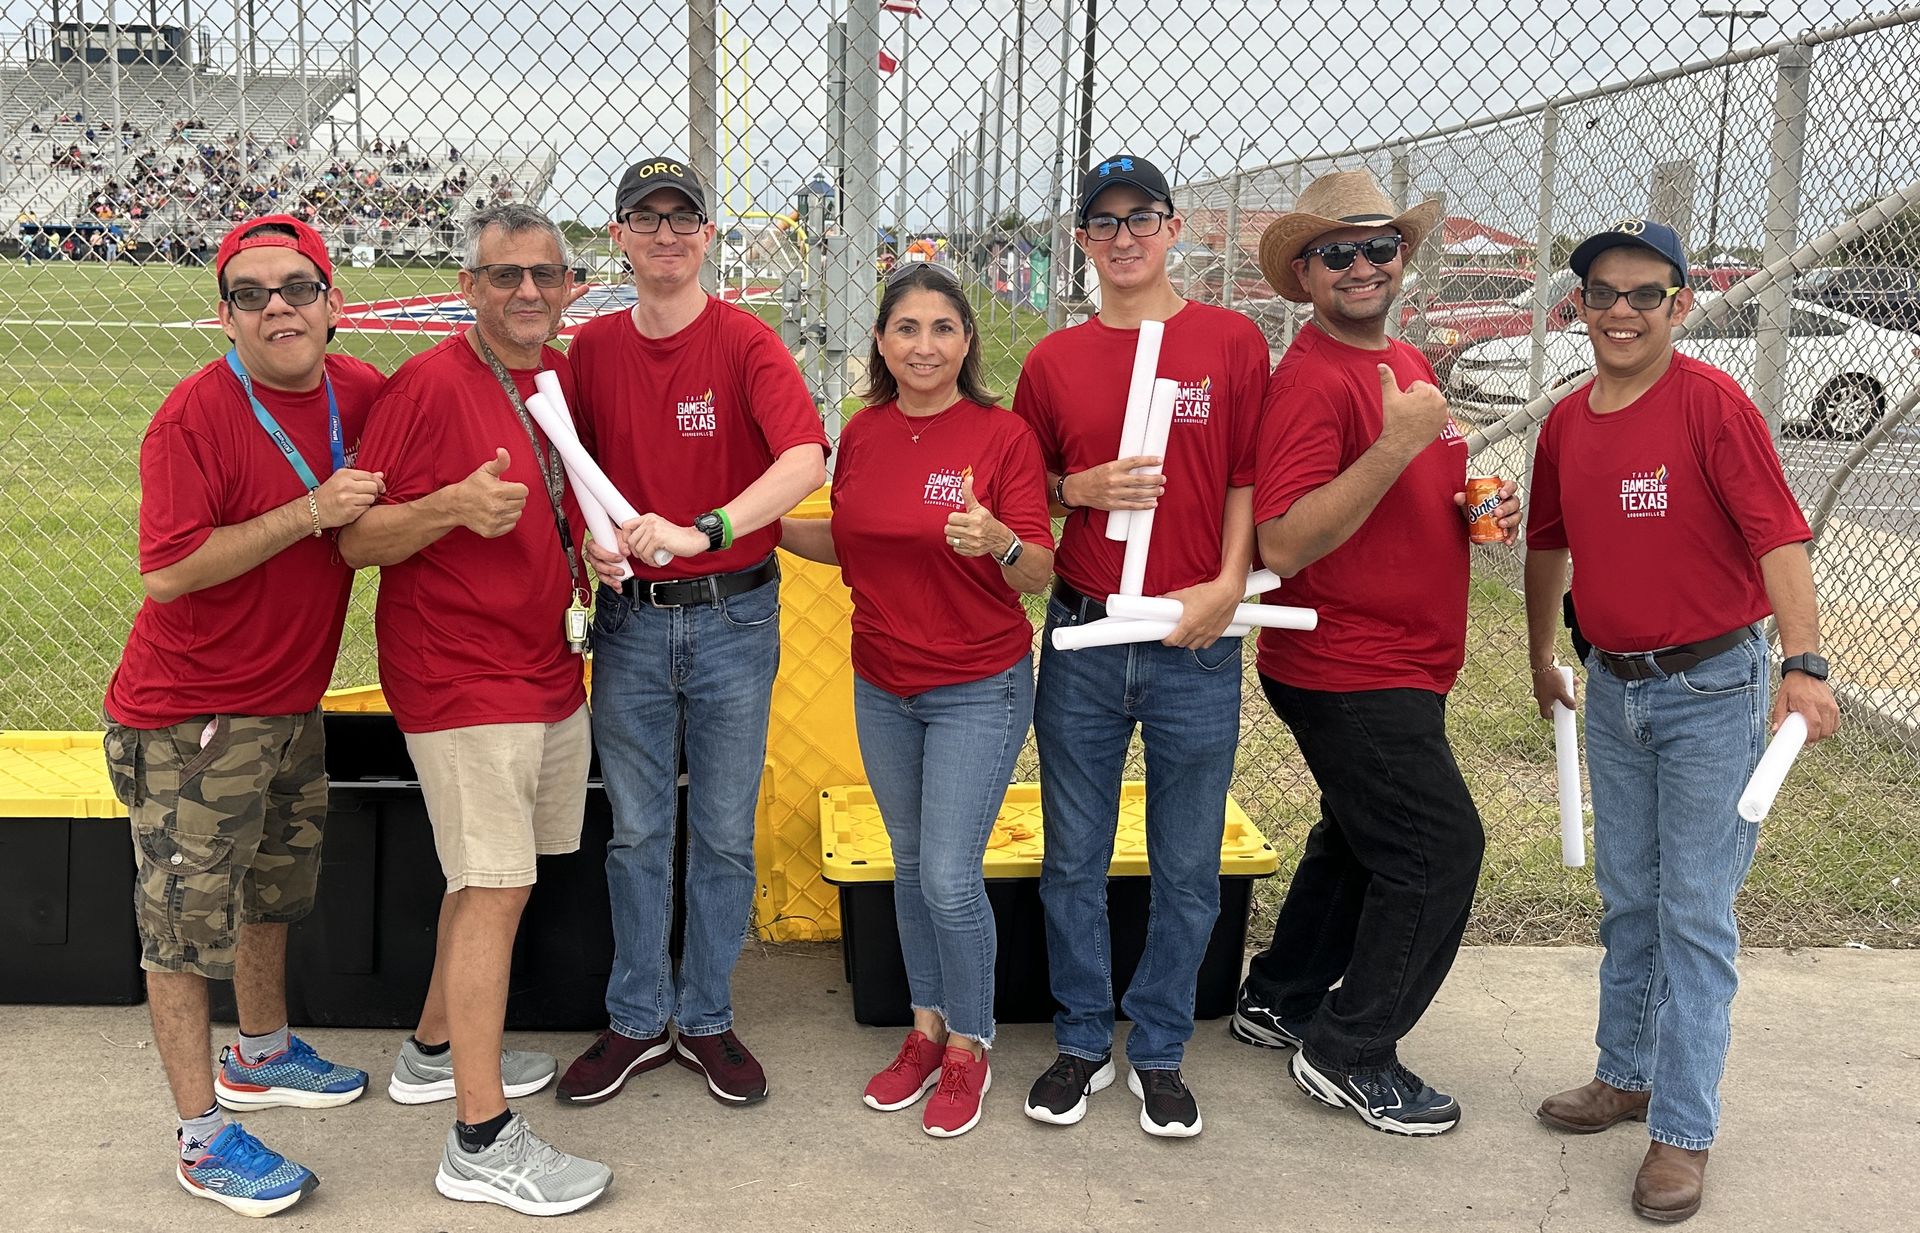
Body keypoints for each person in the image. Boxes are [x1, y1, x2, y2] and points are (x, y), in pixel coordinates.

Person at [1523, 219, 1841, 1222]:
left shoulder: (1712, 408)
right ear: (1577, 306)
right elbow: (1546, 550)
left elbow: (1779, 540)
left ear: (1681, 303)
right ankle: (1627, 1075)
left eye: (1645, 295)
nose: (1622, 313)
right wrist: (1541, 652)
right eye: (1603, 295)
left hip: (1713, 688)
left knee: (1694, 913)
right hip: (1614, 687)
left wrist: (1803, 666)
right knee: (1629, 898)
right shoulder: (1569, 424)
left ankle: (1683, 1131)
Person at [99, 215, 385, 1216]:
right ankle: (200, 1136)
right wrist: (309, 513)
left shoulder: (359, 391)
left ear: (332, 303)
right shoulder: (193, 416)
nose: (280, 307)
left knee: (274, 889)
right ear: (224, 318)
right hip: (189, 716)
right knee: (181, 928)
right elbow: (171, 571)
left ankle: (260, 1053)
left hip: (287, 704)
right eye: (254, 294)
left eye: (298, 288)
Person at [1230, 169, 1520, 1137]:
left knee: (1360, 837)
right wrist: (1398, 447)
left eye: (1378, 247)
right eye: (1337, 253)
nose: (1361, 265)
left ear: (1404, 258)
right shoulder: (1312, 380)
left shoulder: (1401, 366)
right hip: (1347, 664)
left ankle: (1282, 995)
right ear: (1306, 276)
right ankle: (1350, 1050)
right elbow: (1283, 540)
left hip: (1405, 659)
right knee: (1438, 851)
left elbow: (1394, 493)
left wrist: (1468, 503)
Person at [338, 203, 611, 1215]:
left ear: (570, 283)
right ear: (469, 286)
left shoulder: (559, 377)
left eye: (545, 274)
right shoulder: (426, 387)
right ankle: (480, 1140)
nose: (528, 292)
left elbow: (561, 497)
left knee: (493, 878)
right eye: (505, 276)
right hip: (461, 676)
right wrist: (451, 505)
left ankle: (431, 1051)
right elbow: (357, 543)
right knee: (495, 888)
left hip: (545, 664)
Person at [556, 156, 827, 1108]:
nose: (666, 234)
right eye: (646, 217)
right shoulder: (590, 352)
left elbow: (803, 457)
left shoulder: (744, 342)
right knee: (637, 831)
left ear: (706, 236)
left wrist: (704, 526)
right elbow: (572, 474)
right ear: (620, 235)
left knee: (718, 830)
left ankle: (705, 1013)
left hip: (732, 613)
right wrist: (592, 544)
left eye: (683, 218)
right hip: (632, 623)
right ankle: (636, 1015)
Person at [1013, 153, 1267, 1138]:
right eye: (1104, 222)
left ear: (1172, 229)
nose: (1124, 238)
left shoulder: (1229, 342)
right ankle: (1082, 1036)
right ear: (1081, 239)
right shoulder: (1054, 361)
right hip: (1083, 629)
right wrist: (1077, 491)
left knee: (1186, 862)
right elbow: (1016, 481)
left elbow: (1245, 478)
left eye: (1142, 218)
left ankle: (1158, 1046)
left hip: (1192, 636)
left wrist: (1228, 585)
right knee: (1072, 856)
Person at [779, 263, 1055, 1138]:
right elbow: (852, 535)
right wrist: (752, 526)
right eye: (907, 327)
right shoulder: (861, 434)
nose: (924, 344)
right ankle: (925, 1026)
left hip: (979, 683)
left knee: (946, 873)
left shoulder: (1001, 436)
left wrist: (1002, 540)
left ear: (967, 342)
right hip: (883, 683)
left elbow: (1044, 573)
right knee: (908, 865)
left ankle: (971, 1042)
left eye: (943, 328)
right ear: (881, 341)